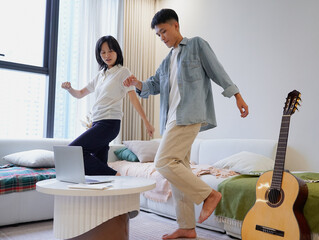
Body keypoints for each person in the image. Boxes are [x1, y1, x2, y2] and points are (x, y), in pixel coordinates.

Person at [123, 9, 249, 239]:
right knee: (178, 169)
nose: (162, 37)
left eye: (164, 31)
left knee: (162, 162)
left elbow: (217, 70)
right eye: (158, 34)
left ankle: (209, 194)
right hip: (170, 119)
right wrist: (138, 83)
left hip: (189, 115)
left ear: (176, 26)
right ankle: (187, 227)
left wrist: (236, 95)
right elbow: (153, 85)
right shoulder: (166, 60)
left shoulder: (197, 46)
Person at [62, 35, 154, 176]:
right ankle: (108, 189)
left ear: (117, 51)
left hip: (109, 123)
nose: (107, 55)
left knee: (72, 151)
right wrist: (70, 89)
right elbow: (80, 93)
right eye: (103, 52)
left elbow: (133, 99)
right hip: (97, 123)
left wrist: (146, 122)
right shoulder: (100, 75)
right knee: (99, 172)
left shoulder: (123, 72)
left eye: (110, 51)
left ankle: (116, 175)